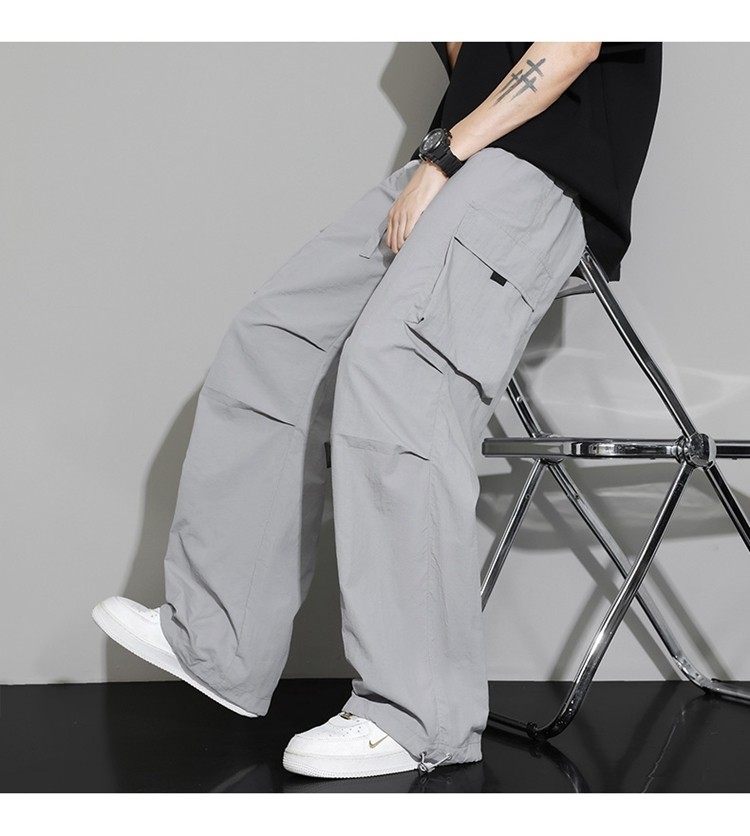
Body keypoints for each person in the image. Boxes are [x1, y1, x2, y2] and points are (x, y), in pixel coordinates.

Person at [92, 41, 662, 779]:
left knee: (398, 372)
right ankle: (217, 640)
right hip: (461, 156)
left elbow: (571, 43)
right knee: (277, 340)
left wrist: (446, 157)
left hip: (541, 171)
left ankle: (418, 715)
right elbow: (473, 56)